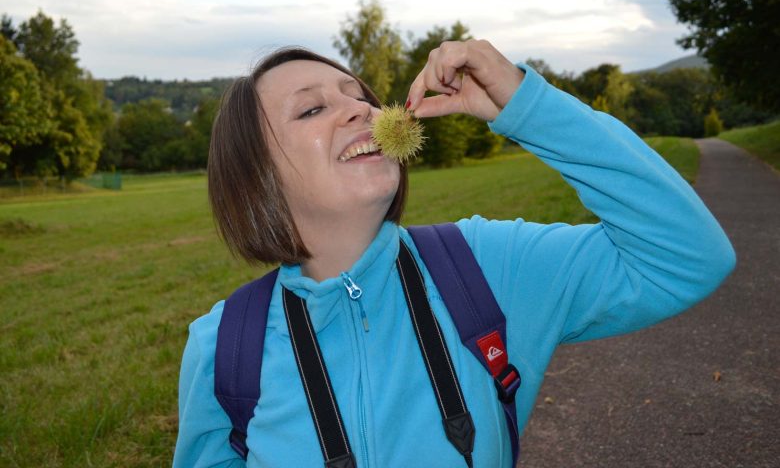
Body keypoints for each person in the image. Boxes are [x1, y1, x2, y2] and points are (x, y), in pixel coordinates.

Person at [173, 40, 735, 467]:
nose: (360, 110)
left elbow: (688, 255)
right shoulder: (225, 348)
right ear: (256, 175)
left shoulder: (487, 267)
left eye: (359, 97)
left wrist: (526, 107)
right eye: (311, 111)